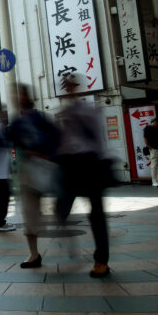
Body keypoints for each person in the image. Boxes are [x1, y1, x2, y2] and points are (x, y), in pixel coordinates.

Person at [56, 75, 112, 278]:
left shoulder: (89, 110)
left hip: (90, 164)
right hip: (71, 165)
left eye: (72, 85)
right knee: (61, 208)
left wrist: (101, 162)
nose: (69, 89)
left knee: (96, 214)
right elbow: (64, 143)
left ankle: (101, 261)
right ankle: (75, 246)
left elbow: (99, 140)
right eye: (66, 86)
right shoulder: (65, 113)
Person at [8, 84, 59, 269]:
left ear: (27, 97)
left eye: (19, 94)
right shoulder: (16, 123)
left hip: (46, 169)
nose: (16, 98)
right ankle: (34, 253)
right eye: (14, 95)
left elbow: (56, 139)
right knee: (29, 213)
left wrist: (47, 155)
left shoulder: (40, 118)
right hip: (27, 173)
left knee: (59, 207)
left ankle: (58, 226)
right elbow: (8, 140)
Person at [143, 118, 158, 187]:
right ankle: (154, 181)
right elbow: (145, 138)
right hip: (153, 148)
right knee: (154, 165)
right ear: (154, 122)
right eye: (157, 123)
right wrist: (149, 147)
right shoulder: (147, 128)